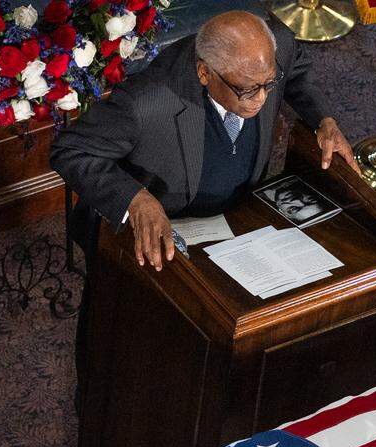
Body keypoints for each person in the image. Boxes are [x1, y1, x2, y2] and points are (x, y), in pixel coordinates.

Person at [50, 10, 357, 271]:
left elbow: (295, 69)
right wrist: (136, 199)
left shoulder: (275, 47)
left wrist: (324, 119)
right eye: (247, 90)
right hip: (167, 227)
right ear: (204, 73)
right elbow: (69, 149)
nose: (262, 98)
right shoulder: (146, 101)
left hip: (240, 212)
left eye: (268, 83)